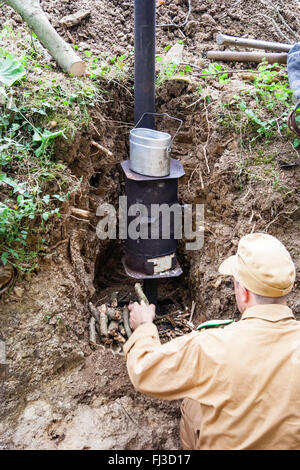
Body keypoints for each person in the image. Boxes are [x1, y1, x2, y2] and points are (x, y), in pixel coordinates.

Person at [123, 233, 300, 450]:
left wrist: (143, 327)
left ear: (242, 292)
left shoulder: (212, 346)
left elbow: (144, 371)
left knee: (193, 402)